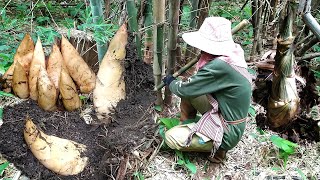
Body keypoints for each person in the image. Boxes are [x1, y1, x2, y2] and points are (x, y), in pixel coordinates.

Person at [162, 17, 252, 163]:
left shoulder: (220, 66)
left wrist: (171, 83)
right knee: (192, 92)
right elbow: (192, 89)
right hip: (225, 113)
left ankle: (218, 150)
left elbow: (184, 90)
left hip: (227, 130)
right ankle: (188, 124)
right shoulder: (232, 55)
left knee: (171, 137)